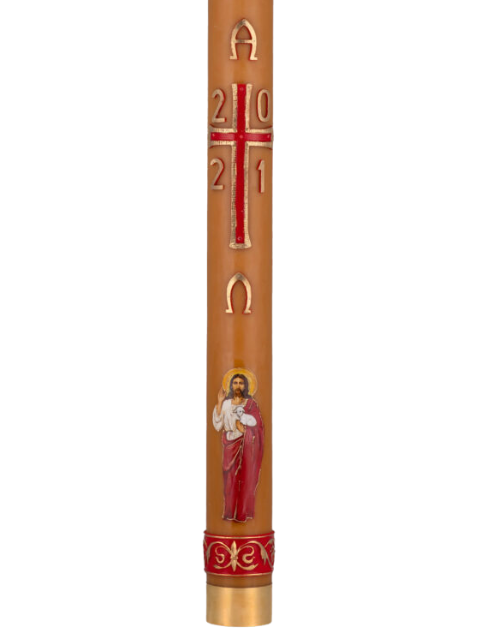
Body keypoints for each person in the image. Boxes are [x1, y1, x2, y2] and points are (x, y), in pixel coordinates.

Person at [213, 373, 264, 522]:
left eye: (241, 383)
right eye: (235, 383)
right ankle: (229, 513)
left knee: (245, 479)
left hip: (246, 446)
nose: (238, 386)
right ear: (231, 385)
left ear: (246, 386)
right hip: (229, 444)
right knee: (229, 481)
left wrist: (245, 430)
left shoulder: (251, 404)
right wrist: (219, 402)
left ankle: (242, 514)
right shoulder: (226, 404)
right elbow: (217, 426)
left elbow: (258, 426)